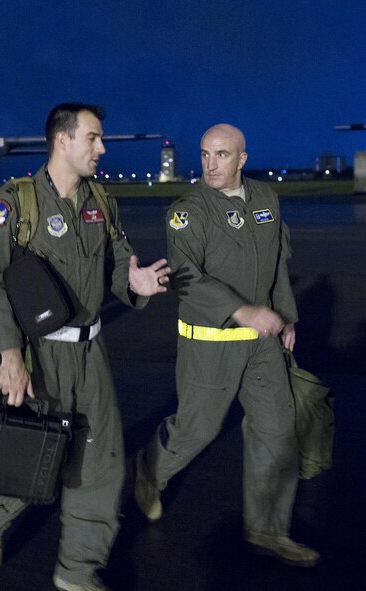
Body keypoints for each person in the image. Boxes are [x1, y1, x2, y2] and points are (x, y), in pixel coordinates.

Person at [0, 103, 171, 591]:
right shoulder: (14, 204)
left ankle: (77, 572)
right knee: (31, 457)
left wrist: (134, 282)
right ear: (63, 139)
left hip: (90, 354)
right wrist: (10, 353)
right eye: (94, 138)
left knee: (101, 465)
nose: (102, 148)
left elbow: (118, 264)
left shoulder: (102, 201)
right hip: (38, 355)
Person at [133, 124, 319, 567]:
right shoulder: (188, 211)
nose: (210, 164)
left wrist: (285, 314)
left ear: (242, 158)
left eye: (221, 154)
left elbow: (277, 264)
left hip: (262, 345)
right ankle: (151, 469)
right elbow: (187, 277)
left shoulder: (265, 200)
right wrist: (244, 311)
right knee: (197, 430)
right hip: (210, 343)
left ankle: (268, 529)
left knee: (276, 432)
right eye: (204, 154)